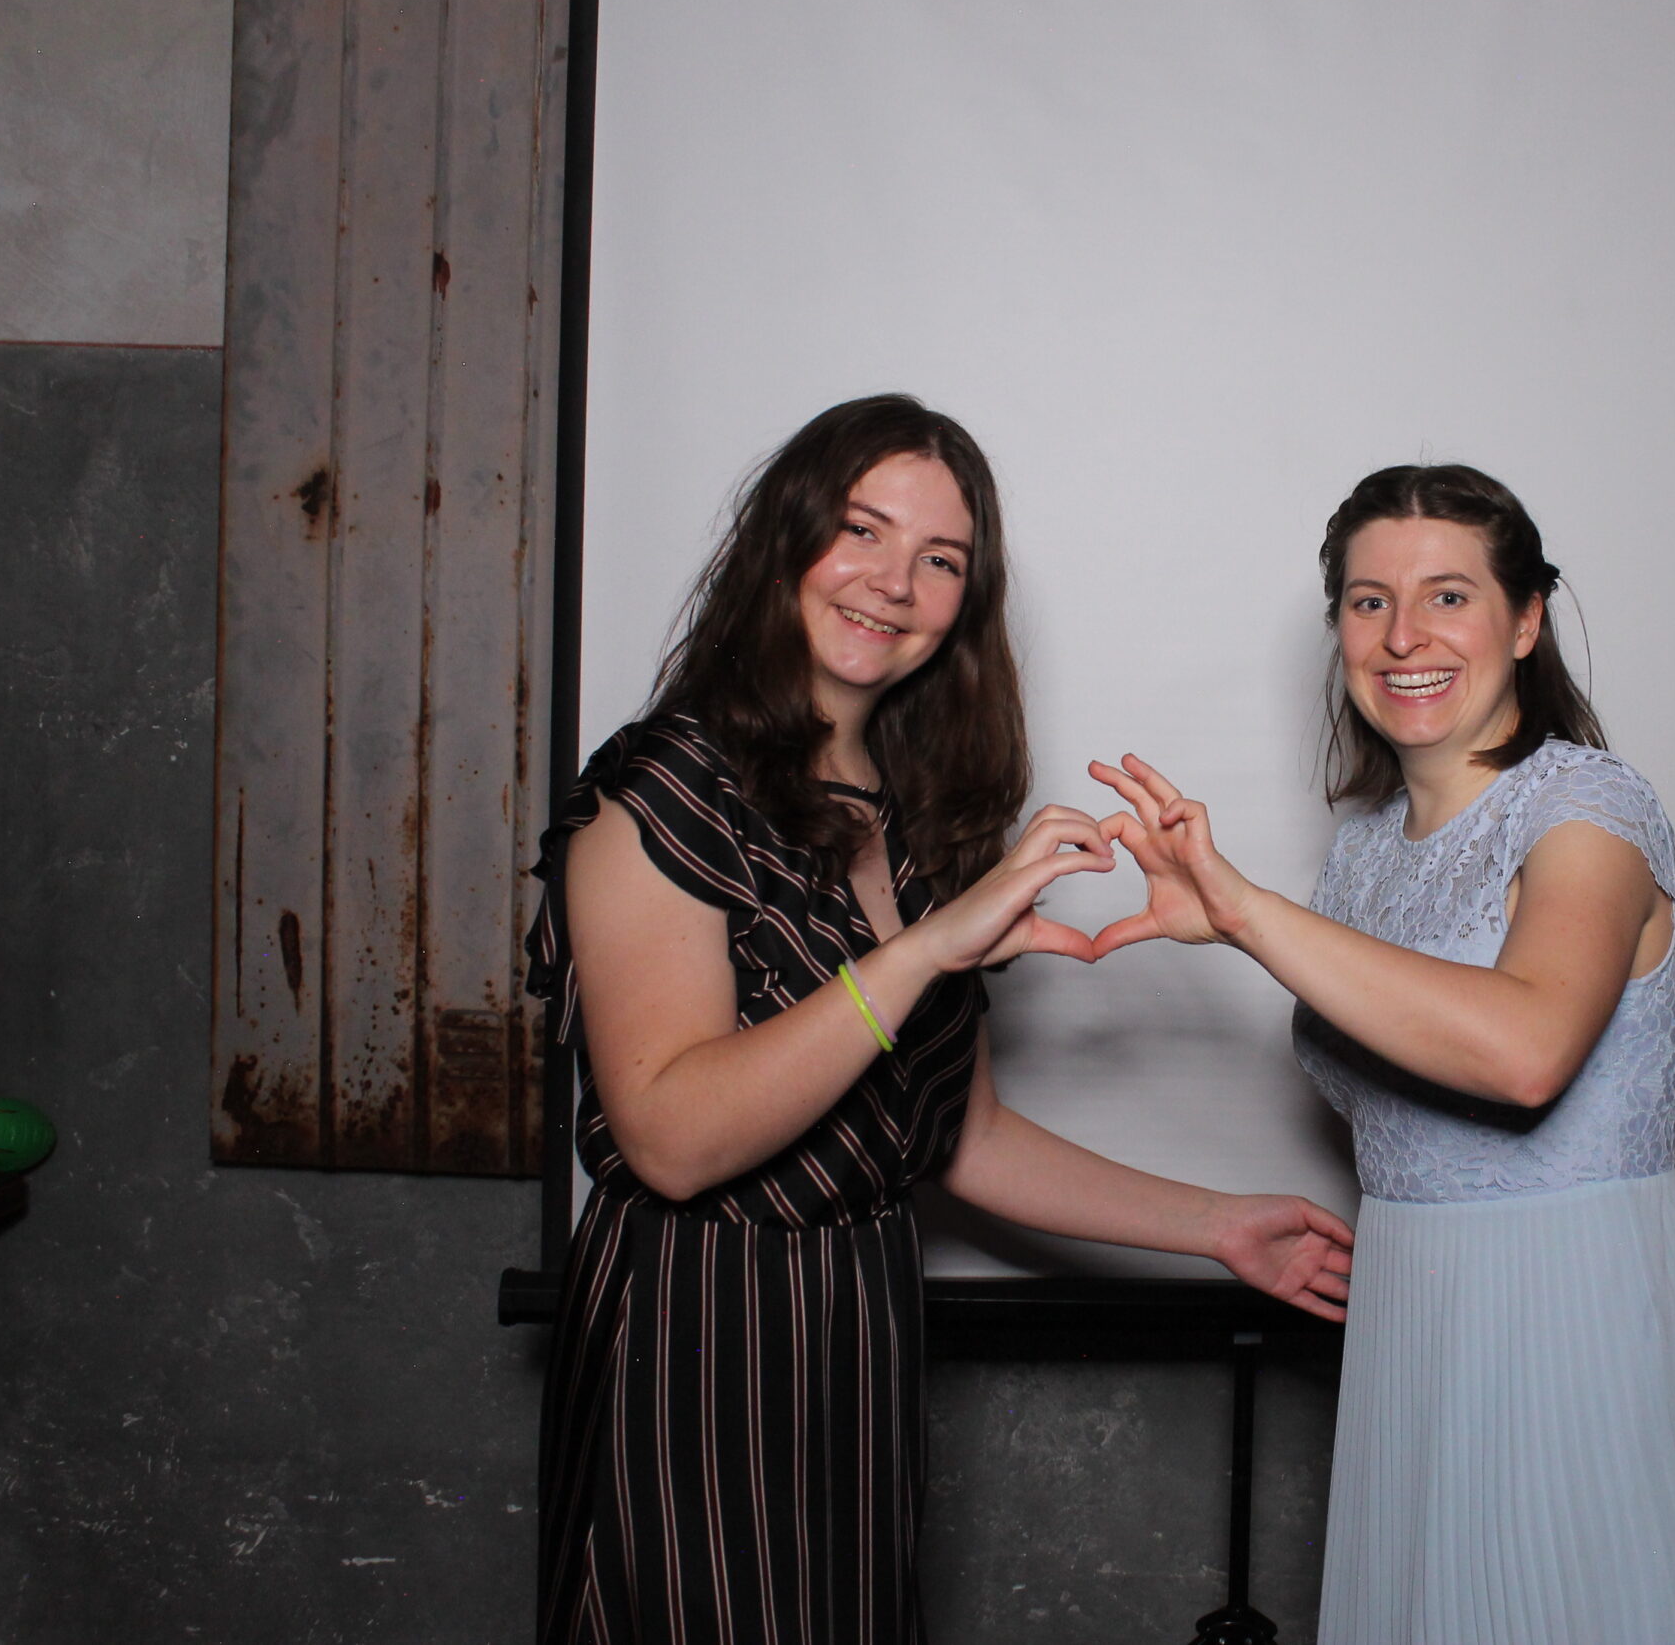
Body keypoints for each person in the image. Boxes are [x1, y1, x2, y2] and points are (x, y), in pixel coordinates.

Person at [528, 394, 1353, 1645]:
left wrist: (1220, 1226)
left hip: (858, 1325)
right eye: (860, 531)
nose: (893, 583)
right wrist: (923, 952)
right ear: (784, 539)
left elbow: (962, 1142)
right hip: (700, 1328)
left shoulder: (908, 813)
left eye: (940, 560)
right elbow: (671, 1141)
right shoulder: (664, 789)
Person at [1089, 463, 1675, 1644]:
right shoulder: (1364, 853)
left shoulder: (1590, 811)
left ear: (1525, 619)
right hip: (1407, 1325)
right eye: (1368, 601)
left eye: (1448, 596)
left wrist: (1245, 915)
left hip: (1564, 1327)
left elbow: (1527, 1052)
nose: (1403, 638)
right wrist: (1242, 925)